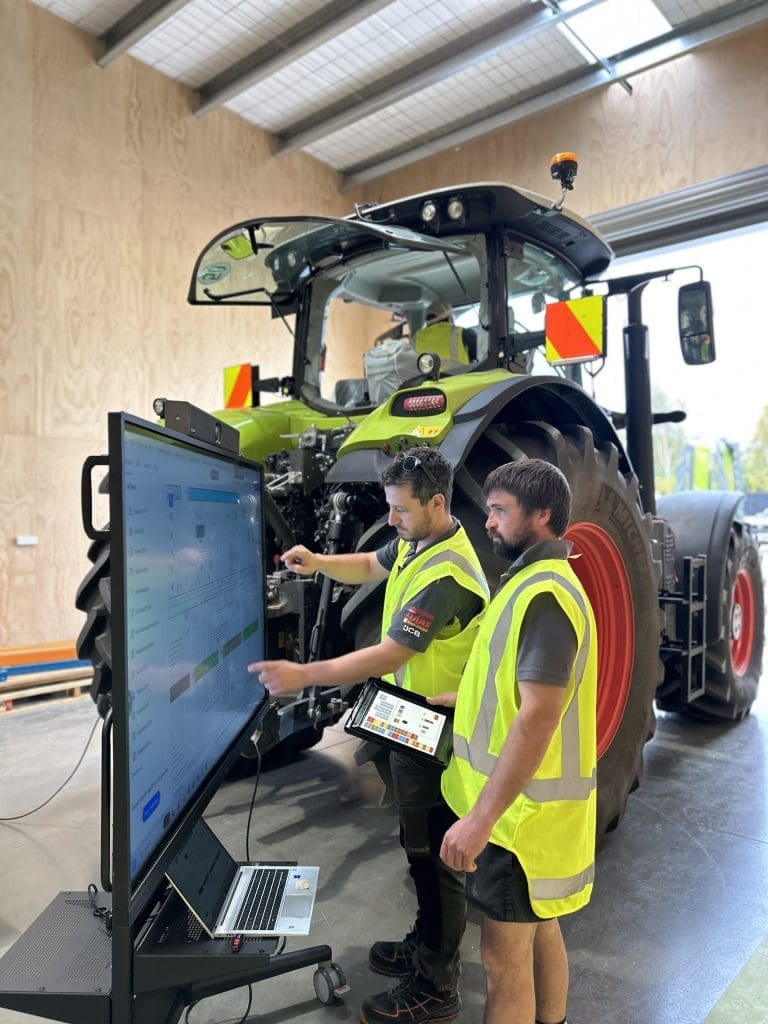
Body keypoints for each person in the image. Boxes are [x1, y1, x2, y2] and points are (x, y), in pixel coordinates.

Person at [248, 445, 490, 1024]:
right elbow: (371, 565)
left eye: (401, 510)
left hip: (440, 727)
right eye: (389, 508)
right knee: (415, 843)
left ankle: (437, 982)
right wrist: (319, 560)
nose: (391, 520)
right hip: (408, 714)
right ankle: (426, 939)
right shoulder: (415, 540)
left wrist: (303, 675)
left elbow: (390, 652)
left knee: (435, 851)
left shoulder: (450, 575)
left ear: (436, 502)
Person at [432, 458, 598, 1024]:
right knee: (539, 928)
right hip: (532, 824)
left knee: (503, 962)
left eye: (501, 511)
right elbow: (520, 689)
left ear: (543, 515)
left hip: (515, 824)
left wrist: (478, 821)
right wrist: (468, 700)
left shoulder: (545, 593)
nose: (488, 523)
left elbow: (539, 718)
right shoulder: (531, 581)